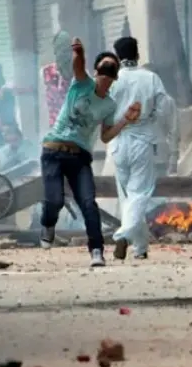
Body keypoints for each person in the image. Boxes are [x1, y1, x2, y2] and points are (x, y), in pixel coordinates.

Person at [38, 37, 140, 267]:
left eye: (110, 69)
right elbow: (78, 66)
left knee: (88, 202)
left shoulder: (109, 105)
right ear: (96, 71)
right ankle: (48, 224)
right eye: (102, 68)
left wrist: (125, 120)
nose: (105, 74)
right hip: (53, 150)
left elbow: (105, 135)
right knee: (53, 200)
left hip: (80, 157)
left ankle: (97, 250)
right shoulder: (81, 84)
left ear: (114, 77)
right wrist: (78, 51)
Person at [107, 36, 170, 262]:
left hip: (118, 142)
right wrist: (156, 121)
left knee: (129, 198)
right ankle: (123, 235)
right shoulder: (150, 78)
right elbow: (164, 108)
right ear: (137, 54)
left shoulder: (111, 80)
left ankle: (140, 247)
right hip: (142, 141)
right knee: (139, 194)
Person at [42, 31, 73, 128]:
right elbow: (43, 103)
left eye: (67, 49)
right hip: (56, 126)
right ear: (55, 50)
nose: (64, 53)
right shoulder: (45, 72)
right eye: (60, 48)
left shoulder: (80, 72)